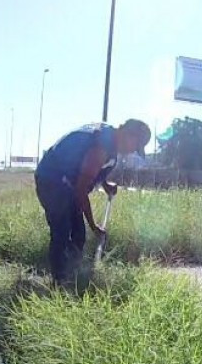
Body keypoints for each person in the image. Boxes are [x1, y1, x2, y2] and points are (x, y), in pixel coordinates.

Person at [34, 119, 151, 283]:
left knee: (78, 234)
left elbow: (91, 169)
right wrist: (93, 225)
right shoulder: (101, 148)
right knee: (62, 230)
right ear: (127, 133)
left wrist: (105, 184)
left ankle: (73, 274)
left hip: (67, 183)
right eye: (135, 146)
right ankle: (60, 282)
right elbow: (81, 190)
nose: (132, 151)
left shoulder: (110, 139)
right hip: (51, 180)